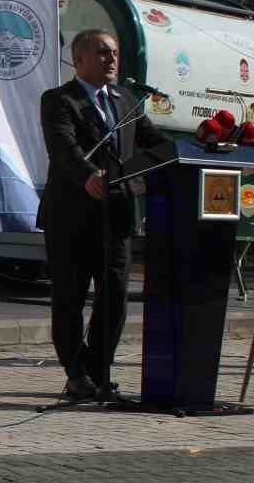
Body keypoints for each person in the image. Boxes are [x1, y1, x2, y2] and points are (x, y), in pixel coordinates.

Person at [39, 28, 167, 402]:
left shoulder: (126, 100)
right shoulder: (60, 100)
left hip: (117, 215)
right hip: (72, 216)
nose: (111, 59)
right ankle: (76, 373)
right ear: (79, 60)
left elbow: (154, 141)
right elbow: (63, 146)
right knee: (70, 300)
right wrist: (87, 175)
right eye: (101, 52)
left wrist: (203, 148)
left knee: (114, 299)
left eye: (113, 52)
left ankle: (95, 371)